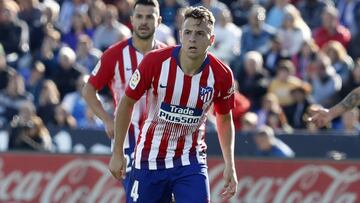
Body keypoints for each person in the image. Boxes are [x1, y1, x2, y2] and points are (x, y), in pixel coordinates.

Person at [109, 6, 238, 202]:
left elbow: (225, 118)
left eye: (200, 33)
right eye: (188, 32)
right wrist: (117, 152)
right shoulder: (154, 62)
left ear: (211, 40)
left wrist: (230, 164)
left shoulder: (222, 74)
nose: (192, 38)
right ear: (180, 35)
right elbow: (126, 103)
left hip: (190, 160)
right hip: (149, 159)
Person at [82, 0, 165, 192]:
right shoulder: (115, 54)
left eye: (149, 17)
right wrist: (106, 120)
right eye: (139, 16)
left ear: (158, 21)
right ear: (132, 20)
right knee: (138, 193)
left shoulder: (168, 54)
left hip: (162, 139)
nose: (144, 22)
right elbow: (88, 90)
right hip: (128, 138)